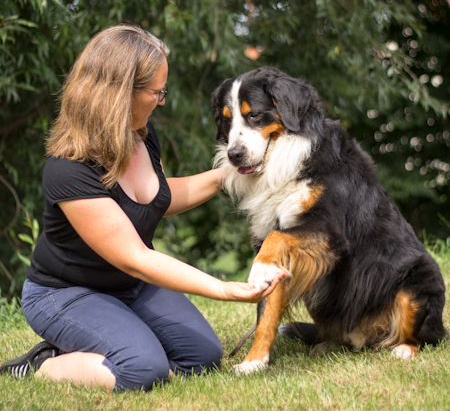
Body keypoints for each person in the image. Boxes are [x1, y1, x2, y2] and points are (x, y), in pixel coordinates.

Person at [0, 25, 286, 391]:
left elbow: (160, 199)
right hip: (67, 293)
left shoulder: (143, 136)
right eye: (157, 92)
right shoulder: (68, 169)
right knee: (142, 370)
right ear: (120, 93)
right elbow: (134, 257)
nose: (162, 101)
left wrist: (232, 172)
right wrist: (224, 289)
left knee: (202, 358)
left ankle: (121, 338)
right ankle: (44, 362)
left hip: (132, 286)